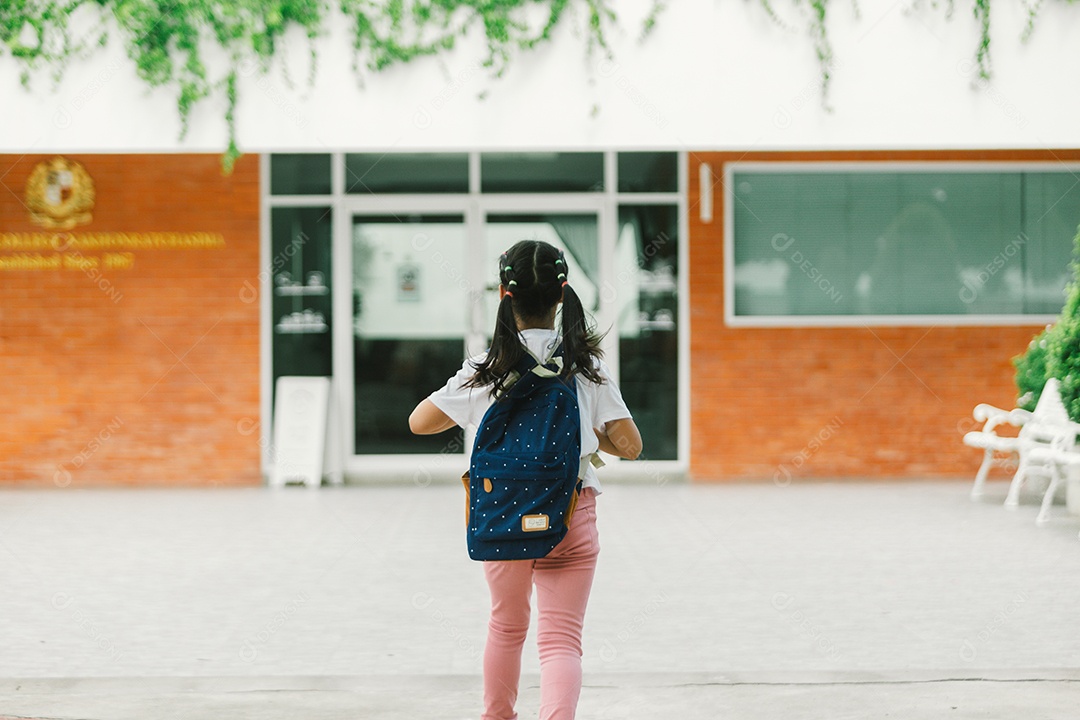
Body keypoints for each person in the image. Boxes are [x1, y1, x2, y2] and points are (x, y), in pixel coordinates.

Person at [409, 239, 642, 720]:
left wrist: (471, 405)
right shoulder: (586, 367)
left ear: (504, 293)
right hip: (571, 512)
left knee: (506, 627)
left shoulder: (486, 368)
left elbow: (419, 422)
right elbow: (632, 446)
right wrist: (589, 433)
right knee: (561, 641)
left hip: (503, 512)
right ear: (563, 293)